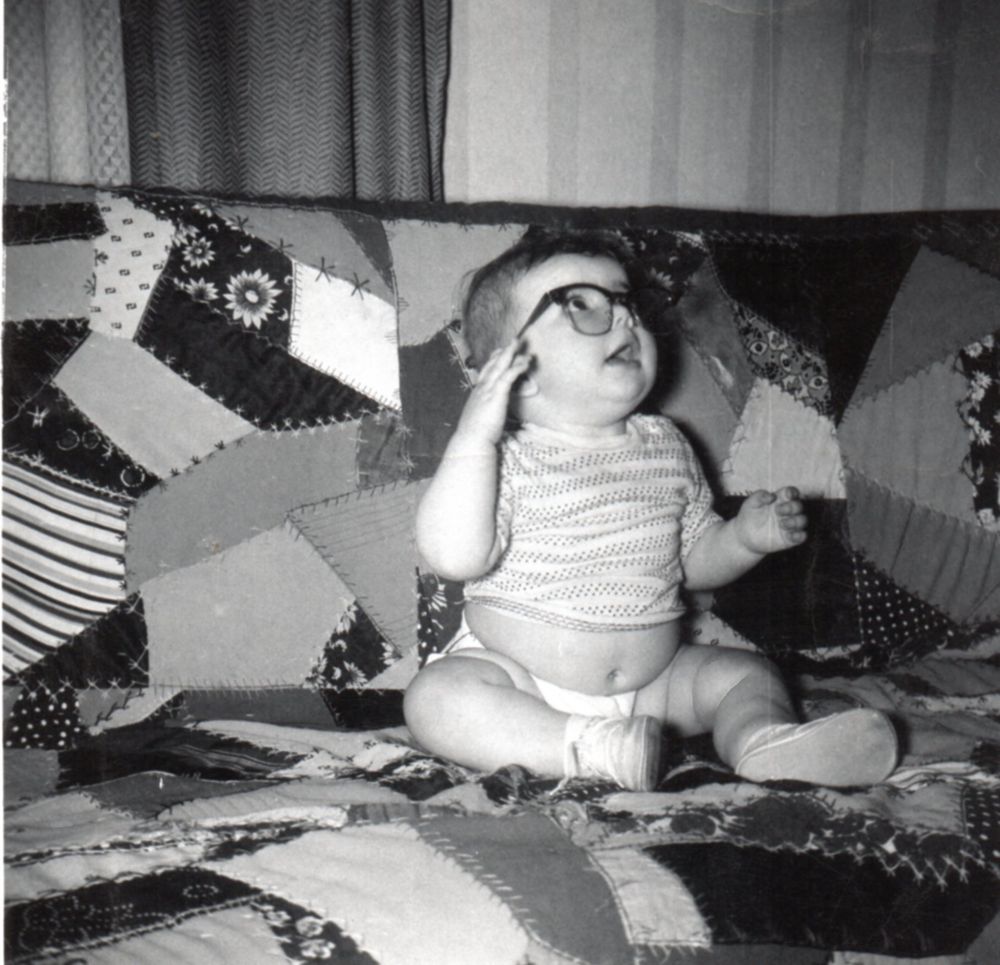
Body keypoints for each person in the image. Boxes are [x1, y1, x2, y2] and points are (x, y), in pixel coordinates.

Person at [404, 230, 898, 791]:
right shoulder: (505, 460)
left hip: (655, 686)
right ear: (513, 369)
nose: (622, 318)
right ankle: (585, 748)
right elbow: (454, 554)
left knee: (746, 674)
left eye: (625, 300)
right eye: (580, 305)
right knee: (437, 698)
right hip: (522, 683)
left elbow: (690, 561)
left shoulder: (667, 444)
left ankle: (765, 742)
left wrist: (743, 540)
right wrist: (474, 435)